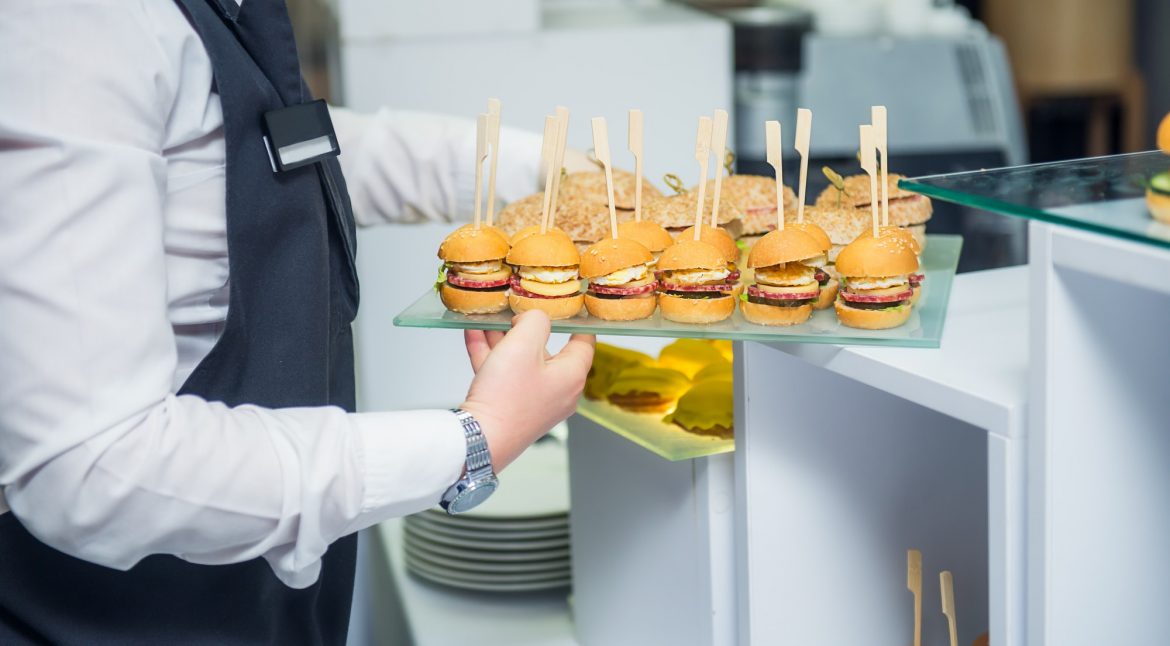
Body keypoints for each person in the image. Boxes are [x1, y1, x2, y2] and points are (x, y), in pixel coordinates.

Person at [0, 1, 594, 643]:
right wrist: (473, 439)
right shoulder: (75, 23)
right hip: (124, 610)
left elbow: (264, 156)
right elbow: (91, 467)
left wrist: (544, 174)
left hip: (260, 595)